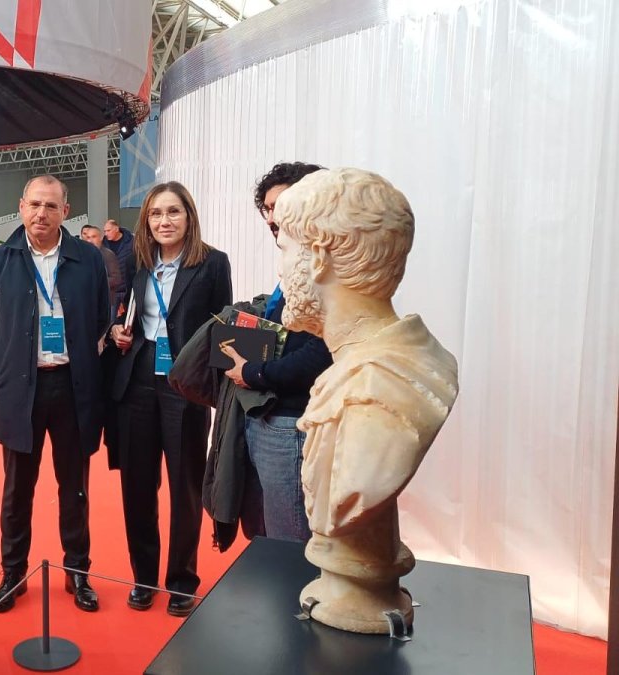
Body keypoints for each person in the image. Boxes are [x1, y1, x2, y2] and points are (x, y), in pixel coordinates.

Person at [274, 168, 458, 631]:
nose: (277, 270)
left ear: (317, 257)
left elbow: (354, 488)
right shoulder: (378, 369)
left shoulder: (377, 389)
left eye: (283, 250)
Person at [0, 175, 111, 614]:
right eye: (34, 205)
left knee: (75, 488)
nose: (41, 214)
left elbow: (100, 318)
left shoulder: (88, 259)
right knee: (17, 491)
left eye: (51, 206)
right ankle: (12, 573)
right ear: (21, 206)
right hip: (21, 390)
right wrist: (17, 358)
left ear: (65, 211)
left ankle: (78, 571)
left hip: (72, 387)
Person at [109, 182, 232, 617]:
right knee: (137, 487)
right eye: (156, 214)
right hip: (137, 381)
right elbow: (124, 312)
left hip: (185, 386)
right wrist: (115, 331)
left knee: (185, 487)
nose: (164, 221)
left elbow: (223, 328)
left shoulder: (213, 264)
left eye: (173, 212)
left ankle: (182, 579)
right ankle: (143, 578)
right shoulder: (138, 261)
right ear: (146, 220)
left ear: (189, 217)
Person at [218, 162, 333, 543]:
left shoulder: (328, 265)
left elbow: (322, 351)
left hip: (292, 423)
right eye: (267, 208)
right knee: (269, 534)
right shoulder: (298, 262)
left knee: (291, 542)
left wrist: (255, 374)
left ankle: (297, 605)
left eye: (281, 204)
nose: (273, 216)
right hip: (267, 417)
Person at [80, 224, 126, 319]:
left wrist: (96, 282)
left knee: (107, 329)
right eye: (88, 237)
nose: (90, 240)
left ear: (101, 238)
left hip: (107, 301)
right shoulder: (82, 255)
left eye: (93, 237)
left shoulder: (108, 255)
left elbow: (116, 279)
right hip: (88, 301)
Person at [102, 218, 135, 285]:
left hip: (128, 282)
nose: (106, 234)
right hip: (112, 285)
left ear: (116, 229)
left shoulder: (132, 241)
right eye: (104, 231)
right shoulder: (103, 244)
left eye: (108, 230)